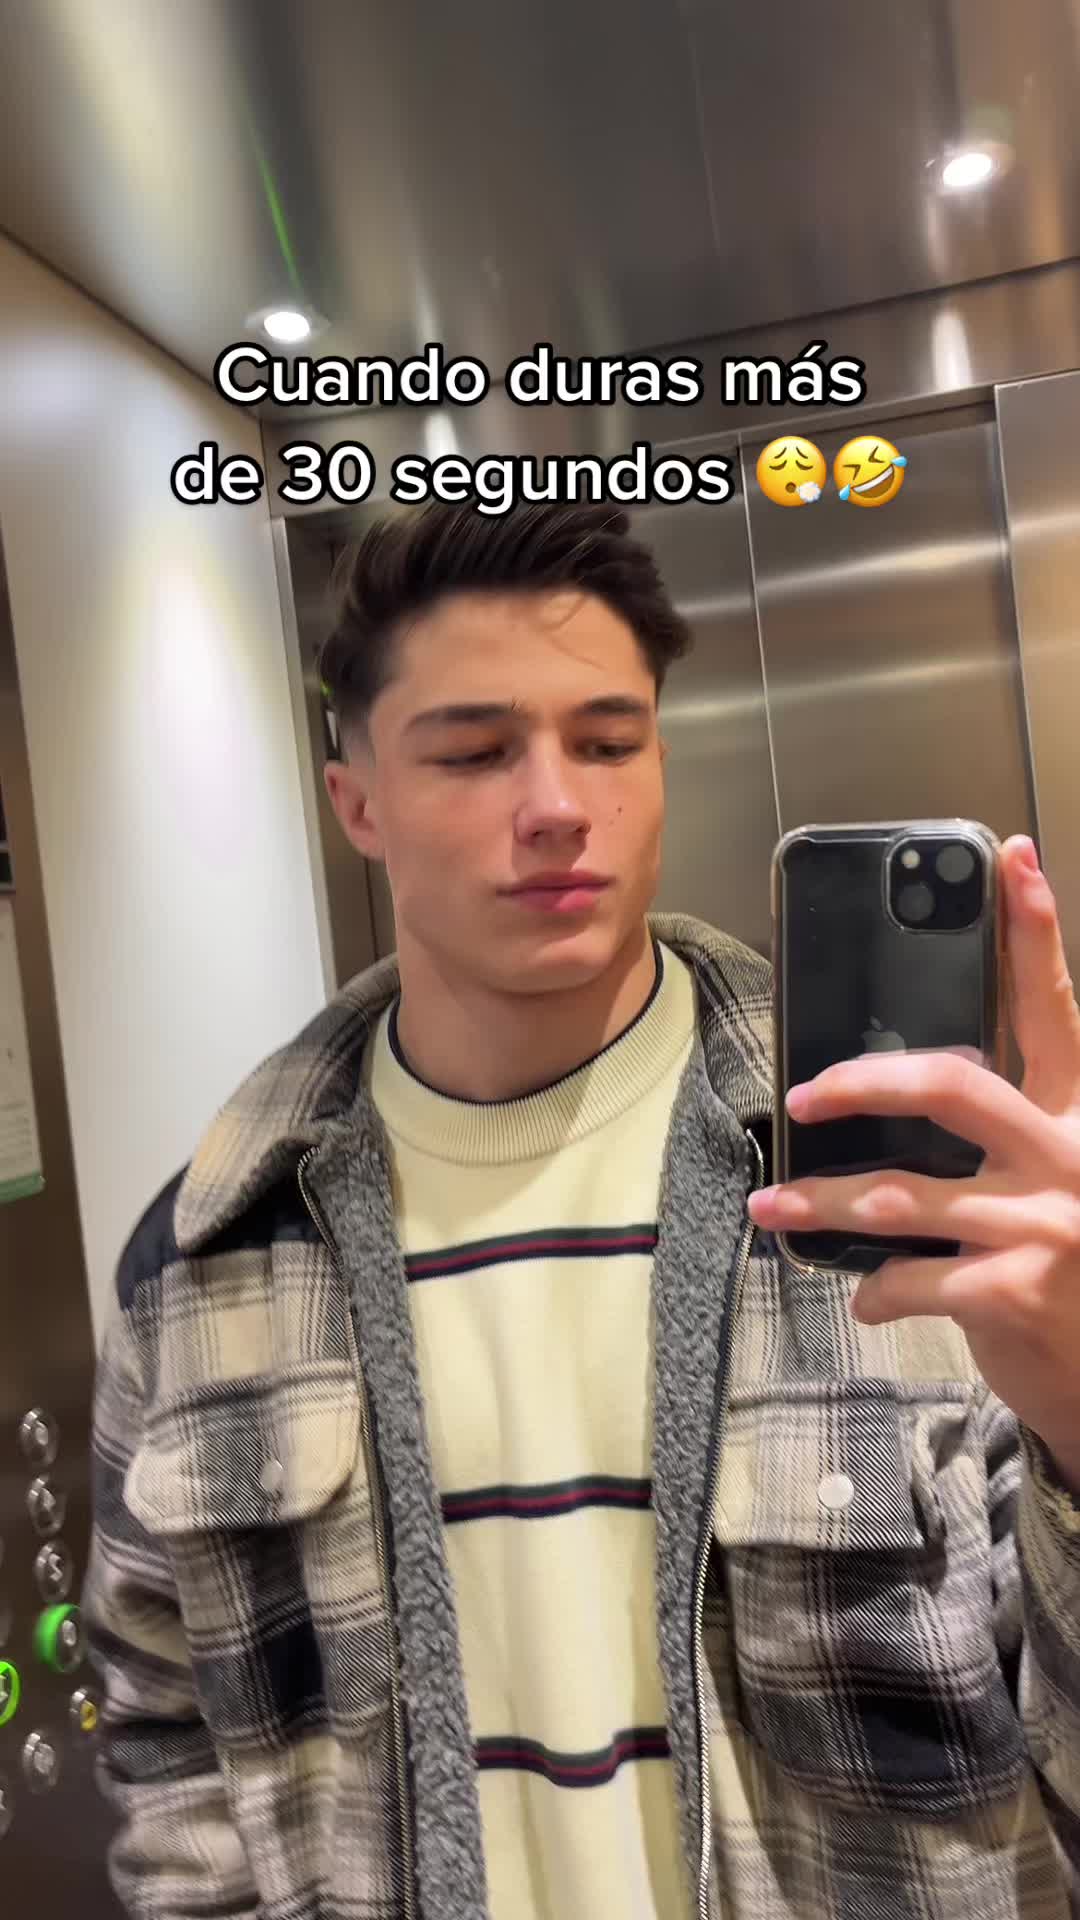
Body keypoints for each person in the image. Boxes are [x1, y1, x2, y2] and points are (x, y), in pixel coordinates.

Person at [85, 499, 1080, 1920]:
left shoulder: (921, 1186)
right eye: (475, 751)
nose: (557, 803)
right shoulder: (212, 1255)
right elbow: (167, 1733)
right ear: (358, 804)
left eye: (609, 742)